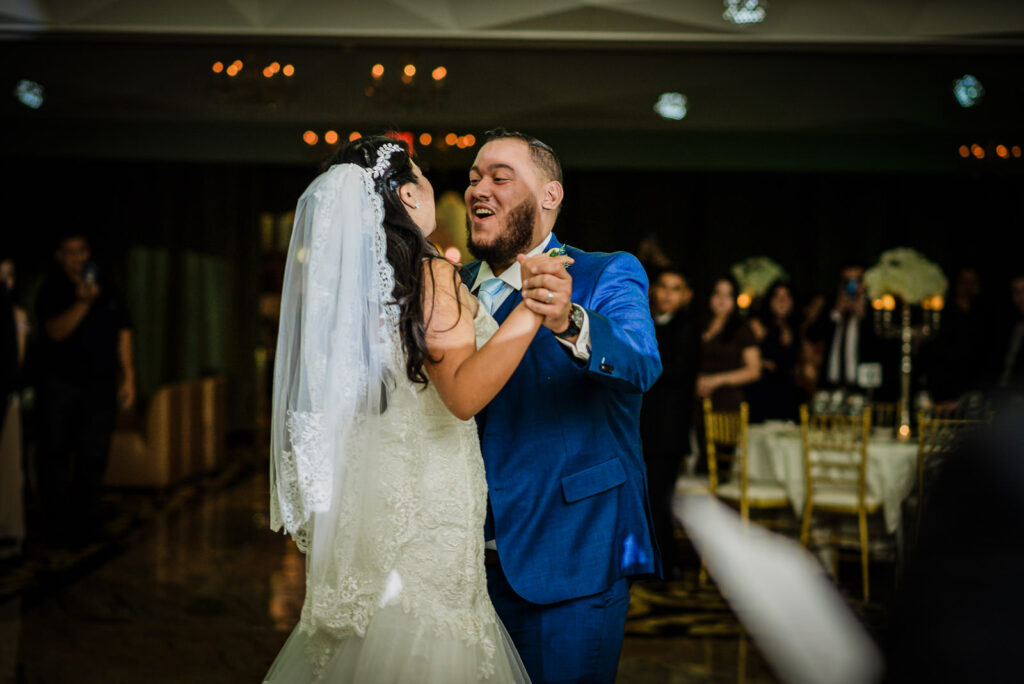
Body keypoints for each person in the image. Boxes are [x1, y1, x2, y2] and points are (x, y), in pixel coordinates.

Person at [264, 136, 567, 682]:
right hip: (429, 505)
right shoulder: (432, 275)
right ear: (407, 195)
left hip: (378, 500)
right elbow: (462, 396)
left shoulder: (360, 291)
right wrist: (532, 309)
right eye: (424, 177)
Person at [462, 128, 662, 683]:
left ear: (550, 195)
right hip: (459, 564)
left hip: (571, 550)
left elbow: (642, 363)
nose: (479, 189)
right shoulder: (448, 286)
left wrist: (571, 322)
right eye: (474, 178)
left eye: (500, 177)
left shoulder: (605, 272)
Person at [34, 234, 135, 546]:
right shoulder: (52, 289)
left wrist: (129, 376)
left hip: (100, 385)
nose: (77, 258)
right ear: (59, 255)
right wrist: (82, 303)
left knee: (94, 456)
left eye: (82, 251)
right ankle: (55, 527)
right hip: (61, 386)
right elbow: (54, 332)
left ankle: (86, 523)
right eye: (70, 252)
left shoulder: (108, 287)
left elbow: (123, 331)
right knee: (55, 456)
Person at [639, 266, 700, 582]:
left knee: (659, 500)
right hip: (644, 428)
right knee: (643, 498)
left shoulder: (687, 329)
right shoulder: (645, 322)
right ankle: (646, 564)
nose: (667, 294)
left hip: (668, 431)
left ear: (686, 295)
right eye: (663, 286)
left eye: (676, 288)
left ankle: (665, 566)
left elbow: (672, 372)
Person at [806, 264, 894, 399]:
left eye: (857, 280)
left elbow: (884, 347)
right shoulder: (831, 308)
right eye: (847, 282)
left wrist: (864, 316)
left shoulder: (875, 309)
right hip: (831, 388)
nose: (852, 286)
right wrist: (836, 312)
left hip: (863, 389)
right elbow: (812, 334)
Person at [696, 275, 760, 412]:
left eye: (728, 295)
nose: (722, 300)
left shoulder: (742, 328)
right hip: (695, 400)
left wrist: (715, 381)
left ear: (734, 299)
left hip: (726, 403)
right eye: (717, 293)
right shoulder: (698, 325)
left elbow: (754, 370)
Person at [0, 256, 28, 558]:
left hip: (8, 396)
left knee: (8, 466)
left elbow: (16, 361)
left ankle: (8, 530)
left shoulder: (16, 314)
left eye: (10, 275)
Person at [747, 280, 804, 423]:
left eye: (787, 296)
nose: (782, 301)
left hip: (788, 395)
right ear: (769, 301)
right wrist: (760, 363)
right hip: (763, 393)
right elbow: (739, 355)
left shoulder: (795, 328)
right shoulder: (758, 325)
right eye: (777, 296)